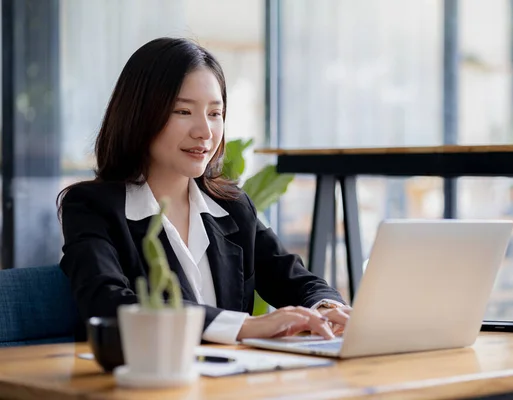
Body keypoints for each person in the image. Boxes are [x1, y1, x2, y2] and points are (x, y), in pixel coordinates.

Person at [58, 37, 351, 344]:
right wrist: (244, 327)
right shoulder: (92, 208)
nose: (205, 132)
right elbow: (110, 305)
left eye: (215, 113)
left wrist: (327, 308)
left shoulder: (232, 207)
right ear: (139, 114)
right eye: (183, 112)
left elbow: (292, 277)